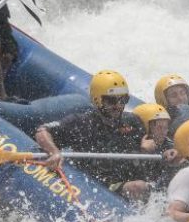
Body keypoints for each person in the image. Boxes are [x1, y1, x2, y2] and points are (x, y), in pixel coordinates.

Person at [35, 71, 155, 201]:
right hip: (98, 186)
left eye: (123, 100)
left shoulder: (133, 122)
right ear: (97, 100)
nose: (118, 105)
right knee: (138, 187)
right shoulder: (81, 123)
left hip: (126, 179)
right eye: (111, 101)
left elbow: (158, 144)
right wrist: (54, 152)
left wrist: (149, 150)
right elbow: (43, 131)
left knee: (143, 185)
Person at [133, 102, 184, 187]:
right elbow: (132, 175)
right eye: (159, 127)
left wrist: (176, 161)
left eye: (165, 127)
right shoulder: (132, 144)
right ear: (144, 127)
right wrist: (144, 153)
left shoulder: (170, 146)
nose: (163, 132)